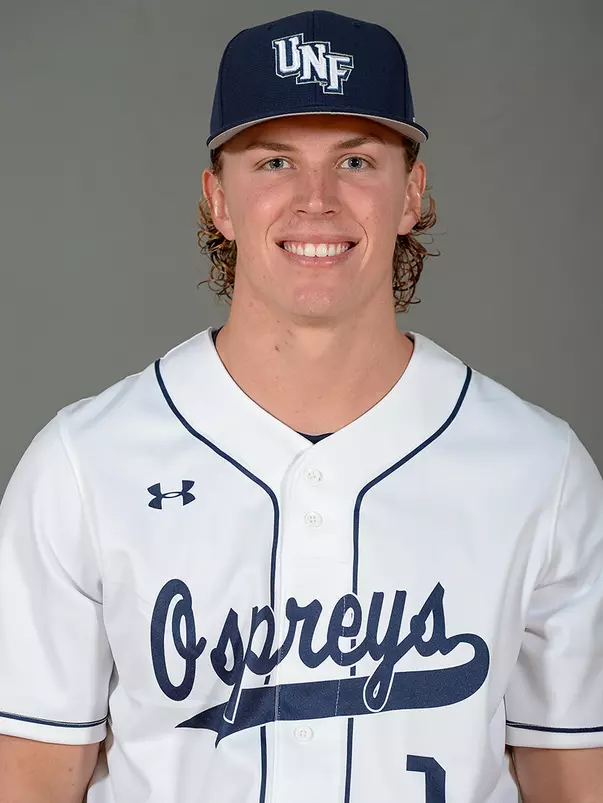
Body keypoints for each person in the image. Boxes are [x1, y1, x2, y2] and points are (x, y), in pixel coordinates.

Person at [0, 9, 602, 803]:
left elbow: (572, 780)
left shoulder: (539, 471)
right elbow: (33, 780)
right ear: (218, 199)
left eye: (355, 160)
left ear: (411, 193)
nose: (315, 200)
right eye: (274, 161)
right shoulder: (83, 465)